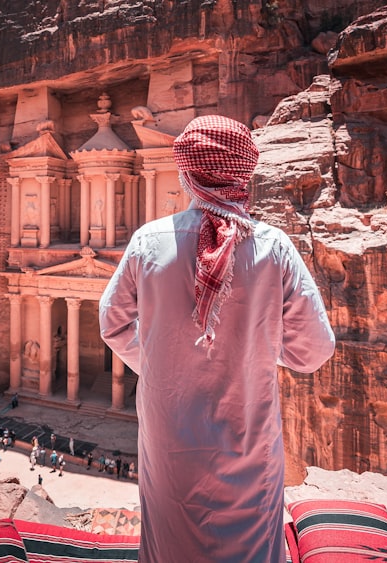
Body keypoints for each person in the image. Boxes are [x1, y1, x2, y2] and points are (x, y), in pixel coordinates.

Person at [99, 115, 336, 562]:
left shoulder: (148, 242)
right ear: (244, 175)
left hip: (169, 439)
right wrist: (257, 350)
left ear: (187, 174)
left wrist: (159, 361)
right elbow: (314, 350)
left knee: (171, 540)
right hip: (248, 439)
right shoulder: (274, 247)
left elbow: (112, 323)